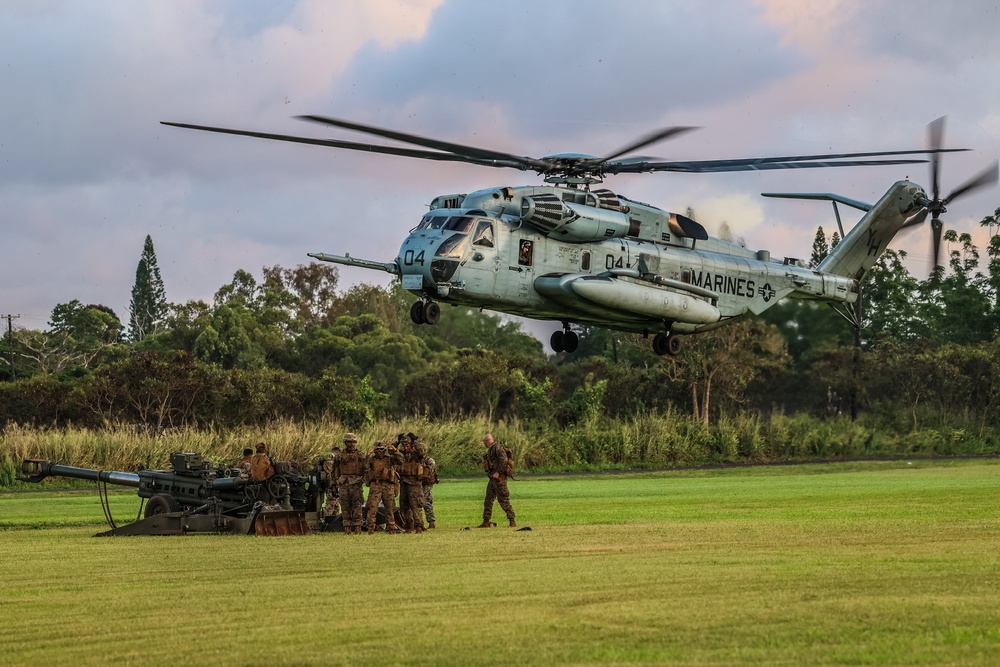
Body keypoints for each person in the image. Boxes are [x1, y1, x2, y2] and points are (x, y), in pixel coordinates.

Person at [332, 433, 367, 535]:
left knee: (357, 506)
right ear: (345, 443)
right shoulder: (339, 457)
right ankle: (347, 528)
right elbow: (334, 470)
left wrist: (362, 480)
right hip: (343, 483)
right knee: (345, 506)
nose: (351, 444)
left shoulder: (361, 455)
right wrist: (334, 484)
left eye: (353, 442)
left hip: (356, 484)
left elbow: (367, 469)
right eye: (349, 442)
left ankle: (357, 528)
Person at [479, 433, 516, 528]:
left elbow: (504, 460)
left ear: (487, 441)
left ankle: (512, 521)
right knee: (488, 500)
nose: (484, 444)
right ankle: (486, 522)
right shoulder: (491, 449)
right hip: (493, 479)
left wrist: (498, 472)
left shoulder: (497, 448)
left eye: (484, 442)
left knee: (503, 500)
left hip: (499, 479)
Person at [364, 441, 402, 534]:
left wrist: (395, 451)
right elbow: (364, 466)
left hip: (387, 485)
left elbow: (400, 461)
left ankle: (391, 527)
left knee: (390, 507)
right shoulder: (371, 460)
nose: (380, 452)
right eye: (377, 450)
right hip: (375, 485)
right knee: (372, 507)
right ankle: (370, 527)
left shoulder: (389, 459)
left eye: (382, 449)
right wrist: (368, 454)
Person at [398, 435, 426, 533]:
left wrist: (414, 441)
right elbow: (391, 452)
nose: (405, 447)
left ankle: (419, 525)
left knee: (415, 505)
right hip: (404, 482)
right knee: (404, 506)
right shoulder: (402, 455)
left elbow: (421, 452)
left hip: (414, 483)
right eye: (404, 445)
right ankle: (409, 525)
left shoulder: (417, 455)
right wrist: (397, 442)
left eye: (407, 445)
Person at [412, 433, 438, 529]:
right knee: (416, 502)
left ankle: (431, 522)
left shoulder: (429, 460)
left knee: (427, 502)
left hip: (426, 484)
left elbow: (429, 471)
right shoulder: (415, 460)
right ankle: (418, 522)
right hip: (417, 483)